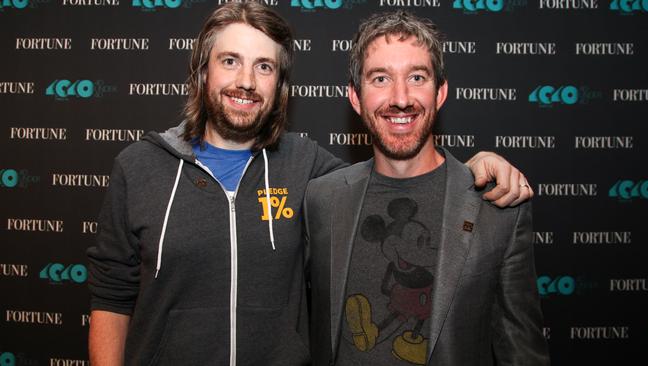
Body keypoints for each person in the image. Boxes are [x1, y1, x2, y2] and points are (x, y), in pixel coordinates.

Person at [86, 3, 533, 366]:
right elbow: (112, 296)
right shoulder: (139, 166)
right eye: (230, 62)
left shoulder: (308, 170)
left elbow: (402, 170)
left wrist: (478, 165)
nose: (246, 81)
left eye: (264, 67)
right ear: (203, 71)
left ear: (280, 86)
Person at [303, 10, 550, 366]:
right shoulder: (321, 201)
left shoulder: (496, 205)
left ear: (440, 92)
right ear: (356, 98)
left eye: (417, 77)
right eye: (380, 79)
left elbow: (521, 351)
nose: (401, 98)